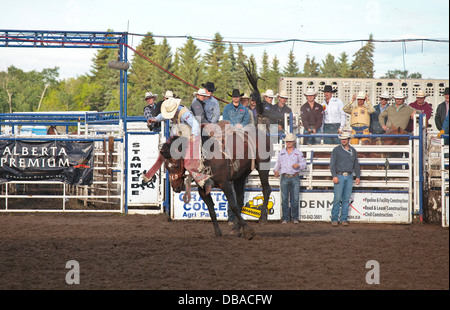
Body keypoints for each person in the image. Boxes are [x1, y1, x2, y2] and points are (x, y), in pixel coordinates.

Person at [148, 97, 213, 194]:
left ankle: (205, 180)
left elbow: (195, 124)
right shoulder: (174, 112)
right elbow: (163, 116)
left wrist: (192, 135)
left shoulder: (184, 114)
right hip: (181, 138)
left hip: (190, 137)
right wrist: (155, 119)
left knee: (188, 163)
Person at [273, 133, 307, 224]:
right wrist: (275, 171)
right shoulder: (282, 153)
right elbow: (278, 164)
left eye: (290, 141)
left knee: (295, 198)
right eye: (287, 141)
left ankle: (294, 217)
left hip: (294, 176)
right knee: (284, 199)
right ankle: (286, 218)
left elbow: (304, 164)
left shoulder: (298, 153)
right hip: (285, 176)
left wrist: (298, 165)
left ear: (293, 142)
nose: (288, 143)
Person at [330, 129, 361, 227]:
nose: (343, 140)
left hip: (349, 176)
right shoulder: (336, 150)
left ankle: (343, 219)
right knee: (338, 198)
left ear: (348, 139)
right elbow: (332, 164)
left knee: (346, 199)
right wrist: (334, 175)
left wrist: (358, 176)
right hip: (339, 175)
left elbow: (356, 165)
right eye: (342, 139)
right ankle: (334, 219)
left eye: (345, 139)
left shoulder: (353, 150)